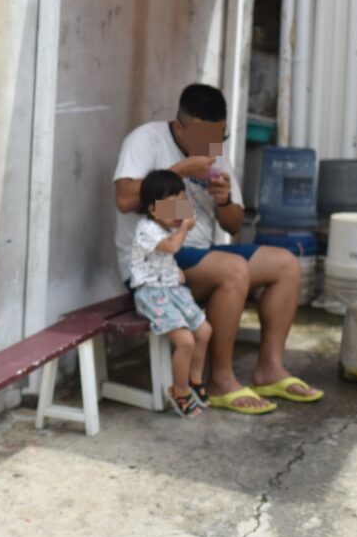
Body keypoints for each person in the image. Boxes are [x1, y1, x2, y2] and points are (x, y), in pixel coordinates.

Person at [114, 83, 323, 414]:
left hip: (199, 252)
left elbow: (234, 224)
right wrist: (181, 170)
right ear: (180, 127)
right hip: (154, 261)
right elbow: (125, 199)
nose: (211, 146)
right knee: (232, 268)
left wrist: (224, 198)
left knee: (286, 264)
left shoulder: (216, 153)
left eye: (219, 137)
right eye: (203, 138)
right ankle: (221, 380)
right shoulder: (146, 140)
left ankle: (270, 369)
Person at [130, 170, 212, 418]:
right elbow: (171, 247)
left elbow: (162, 257)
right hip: (151, 294)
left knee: (205, 331)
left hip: (172, 290)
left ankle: (194, 378)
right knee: (186, 341)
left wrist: (176, 271)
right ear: (154, 209)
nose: (180, 213)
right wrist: (185, 228)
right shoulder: (146, 229)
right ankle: (180, 390)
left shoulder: (166, 228)